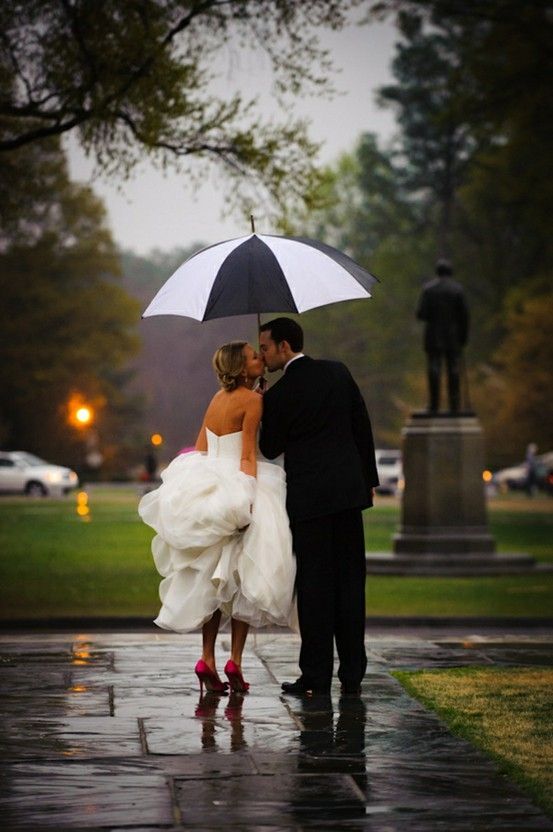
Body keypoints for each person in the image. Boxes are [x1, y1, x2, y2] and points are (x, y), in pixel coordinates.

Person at [138, 341, 296, 695]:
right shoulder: (253, 401)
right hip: (239, 484)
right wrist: (247, 499)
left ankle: (206, 658)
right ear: (241, 367)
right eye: (254, 357)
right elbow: (247, 455)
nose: (260, 359)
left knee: (214, 578)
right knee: (243, 577)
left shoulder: (216, 399)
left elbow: (201, 448)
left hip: (210, 487)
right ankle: (235, 660)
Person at [258, 318, 379, 697]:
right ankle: (353, 672)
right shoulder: (337, 372)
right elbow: (362, 427)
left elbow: (270, 448)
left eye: (265, 348)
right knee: (351, 584)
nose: (262, 356)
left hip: (309, 501)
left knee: (314, 588)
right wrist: (368, 482)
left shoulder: (278, 394)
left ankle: (315, 676)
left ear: (284, 346)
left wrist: (264, 405)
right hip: (347, 496)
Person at [416, 259, 469, 413]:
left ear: (437, 272)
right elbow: (465, 316)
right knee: (453, 368)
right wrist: (463, 337)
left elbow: (421, 314)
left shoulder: (428, 289)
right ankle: (455, 404)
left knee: (434, 368)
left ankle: (434, 404)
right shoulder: (457, 290)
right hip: (453, 336)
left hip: (434, 335)